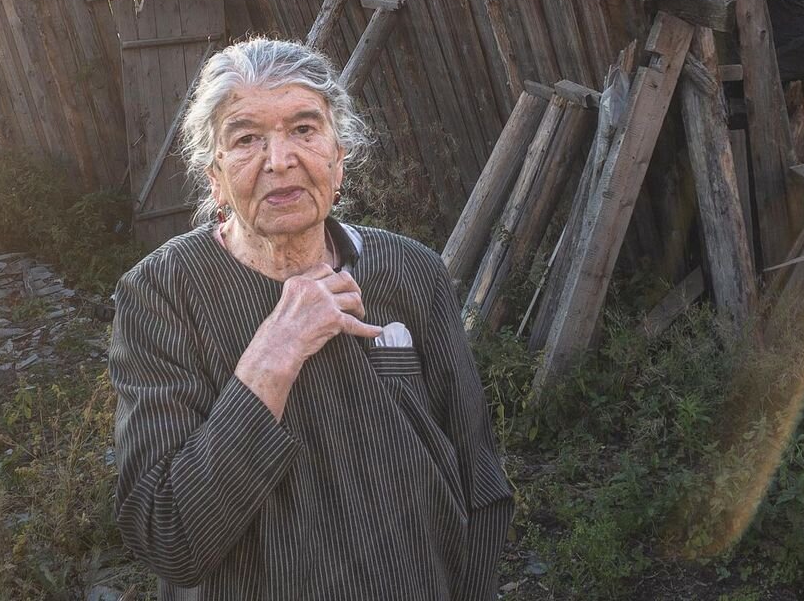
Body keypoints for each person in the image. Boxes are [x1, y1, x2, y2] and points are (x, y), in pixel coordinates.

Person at [108, 37, 513, 601]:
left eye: (304, 129)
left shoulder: (412, 273)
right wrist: (275, 352)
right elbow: (167, 536)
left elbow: (480, 482)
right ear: (214, 176)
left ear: (338, 157)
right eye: (247, 138)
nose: (280, 160)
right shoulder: (161, 295)